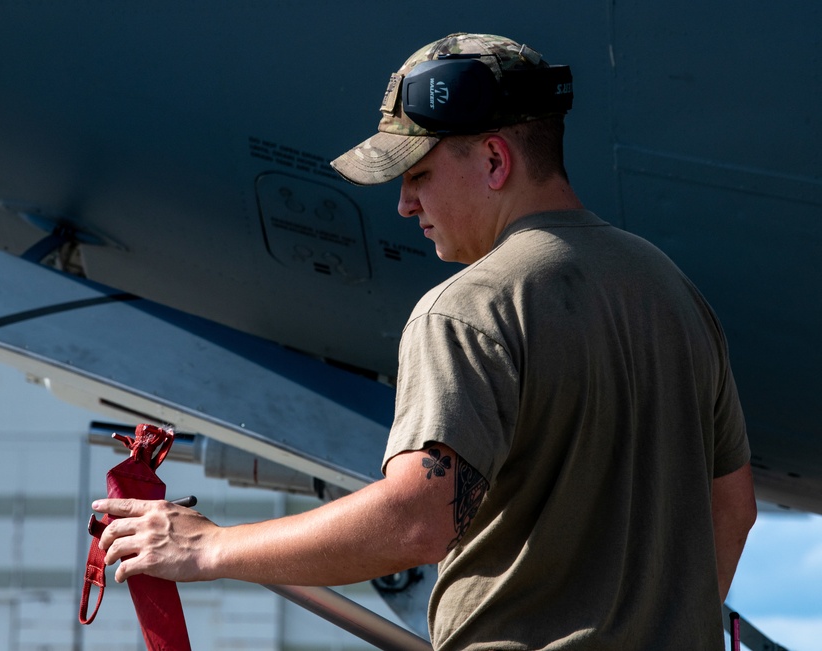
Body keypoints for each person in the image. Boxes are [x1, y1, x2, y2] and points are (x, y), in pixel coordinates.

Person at [94, 32, 758, 649]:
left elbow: (417, 518)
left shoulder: (467, 308)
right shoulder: (673, 293)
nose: (406, 205)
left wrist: (210, 548)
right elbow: (733, 508)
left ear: (495, 159)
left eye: (418, 174)